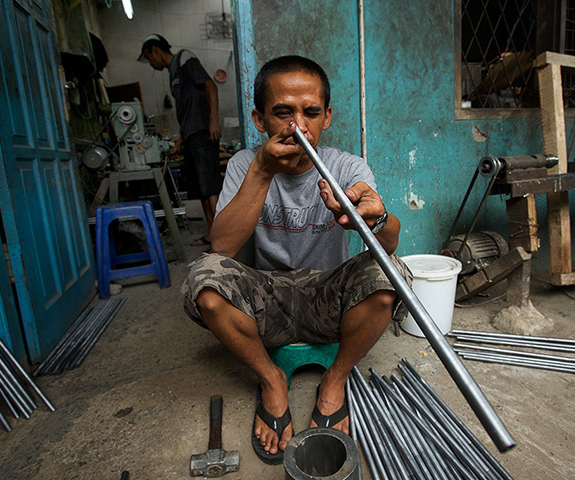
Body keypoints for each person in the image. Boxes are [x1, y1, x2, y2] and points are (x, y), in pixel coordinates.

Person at [182, 55, 411, 464]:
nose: (298, 127)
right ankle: (271, 380)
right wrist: (262, 171)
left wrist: (374, 216)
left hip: (328, 297)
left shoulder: (346, 166)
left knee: (391, 273)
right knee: (206, 278)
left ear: (326, 118)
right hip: (266, 297)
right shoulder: (244, 164)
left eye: (311, 113)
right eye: (283, 113)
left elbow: (389, 241)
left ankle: (335, 381)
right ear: (259, 119)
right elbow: (221, 248)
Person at [138, 34, 222, 247]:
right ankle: (212, 235)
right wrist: (179, 142)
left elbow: (211, 85)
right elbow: (187, 113)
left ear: (155, 50)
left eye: (149, 58)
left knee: (210, 188)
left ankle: (222, 239)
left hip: (204, 132)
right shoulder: (173, 72)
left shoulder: (184, 58)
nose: (151, 64)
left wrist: (213, 120)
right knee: (202, 189)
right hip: (192, 135)